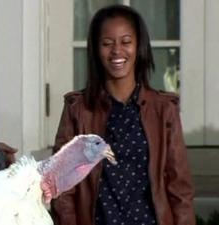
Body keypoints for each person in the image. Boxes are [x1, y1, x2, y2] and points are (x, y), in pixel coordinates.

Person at [51, 5, 195, 225]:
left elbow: (179, 188)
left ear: (139, 46)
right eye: (107, 44)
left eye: (126, 42)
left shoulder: (163, 109)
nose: (117, 51)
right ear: (96, 50)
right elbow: (62, 186)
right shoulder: (78, 109)